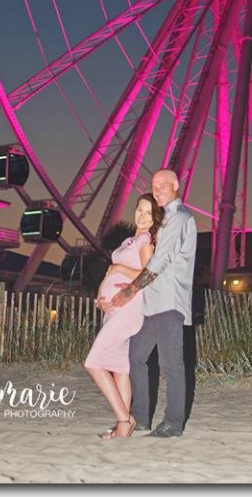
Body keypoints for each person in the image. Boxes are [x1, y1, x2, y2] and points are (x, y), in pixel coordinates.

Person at [100, 168, 196, 437]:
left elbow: (159, 261)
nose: (157, 190)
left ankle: (173, 423)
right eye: (154, 186)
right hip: (152, 305)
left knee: (171, 364)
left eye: (163, 185)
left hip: (169, 302)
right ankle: (141, 418)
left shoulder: (179, 218)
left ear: (176, 185)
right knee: (136, 357)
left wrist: (130, 290)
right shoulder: (165, 221)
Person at [81, 195, 161, 439]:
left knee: (93, 363)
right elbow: (109, 272)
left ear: (155, 218)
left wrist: (119, 269)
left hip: (129, 308)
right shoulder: (130, 240)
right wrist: (99, 297)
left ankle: (124, 420)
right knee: (120, 368)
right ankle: (123, 426)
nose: (142, 216)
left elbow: (150, 273)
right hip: (113, 308)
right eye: (139, 210)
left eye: (148, 213)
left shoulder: (146, 240)